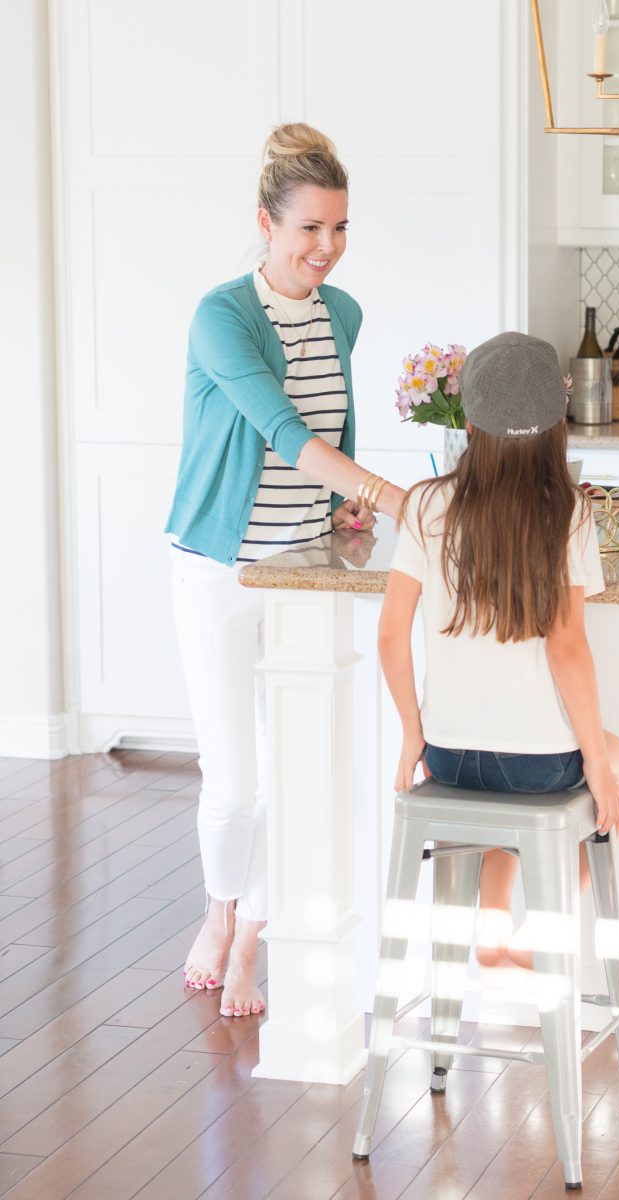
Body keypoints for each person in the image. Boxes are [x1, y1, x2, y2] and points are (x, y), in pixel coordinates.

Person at [164, 123, 404, 1017]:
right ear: (265, 222)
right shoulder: (221, 316)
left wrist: (348, 503)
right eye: (309, 229)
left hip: (305, 571)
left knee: (296, 763)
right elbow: (282, 430)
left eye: (340, 229)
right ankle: (219, 909)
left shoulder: (341, 315)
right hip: (220, 569)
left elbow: (332, 433)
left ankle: (251, 941)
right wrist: (394, 497)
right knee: (234, 780)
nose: (327, 250)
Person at [378, 332, 619, 969]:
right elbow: (568, 648)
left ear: (467, 423)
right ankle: (540, 928)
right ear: (560, 427)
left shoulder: (423, 505)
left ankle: (492, 928)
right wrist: (597, 764)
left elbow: (390, 634)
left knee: (499, 806)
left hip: (448, 758)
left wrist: (412, 735)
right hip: (542, 766)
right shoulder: (568, 514)